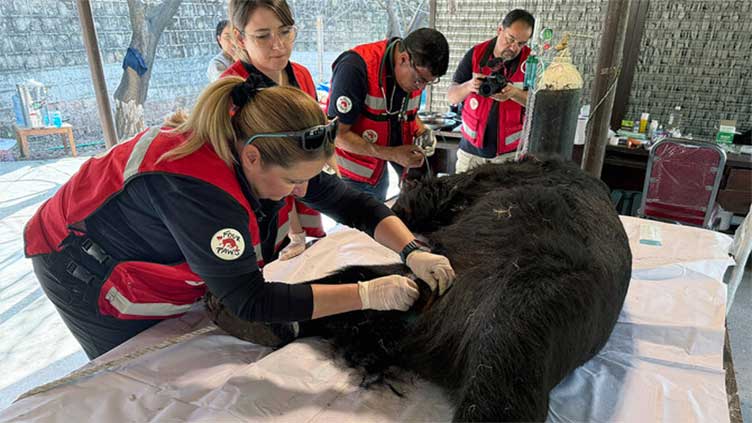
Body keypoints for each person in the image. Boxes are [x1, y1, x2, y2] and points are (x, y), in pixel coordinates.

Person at [24, 76, 456, 359]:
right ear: (251, 157)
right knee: (134, 370)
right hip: (80, 262)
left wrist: (412, 250)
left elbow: (352, 203)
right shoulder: (197, 189)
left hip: (151, 238)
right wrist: (366, 293)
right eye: (293, 182)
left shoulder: (274, 150)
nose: (302, 192)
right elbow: (251, 300)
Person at [222, 0, 325, 259]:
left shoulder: (300, 75)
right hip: (260, 211)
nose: (278, 45)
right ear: (239, 37)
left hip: (301, 191)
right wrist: (295, 230)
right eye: (263, 35)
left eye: (285, 31)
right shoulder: (232, 92)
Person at [327, 28, 449, 202]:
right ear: (403, 59)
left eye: (428, 83)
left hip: (381, 169)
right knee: (362, 223)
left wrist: (423, 131)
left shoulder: (410, 76)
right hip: (353, 175)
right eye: (420, 80)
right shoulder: (354, 68)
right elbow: (337, 135)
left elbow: (407, 115)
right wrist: (392, 154)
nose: (421, 88)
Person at [447, 9, 534, 173]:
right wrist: (469, 86)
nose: (514, 47)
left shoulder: (531, 62)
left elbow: (539, 104)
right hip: (470, 153)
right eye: (510, 39)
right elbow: (451, 97)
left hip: (509, 157)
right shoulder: (476, 55)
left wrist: (514, 94)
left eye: (521, 43)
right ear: (500, 29)